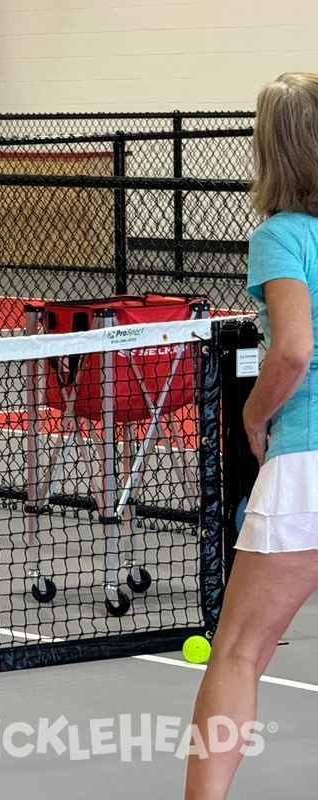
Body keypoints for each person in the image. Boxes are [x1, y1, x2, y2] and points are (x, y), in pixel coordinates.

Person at [184, 71, 318, 798]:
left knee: (236, 652)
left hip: (308, 466)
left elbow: (293, 349)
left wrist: (253, 415)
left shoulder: (279, 236)